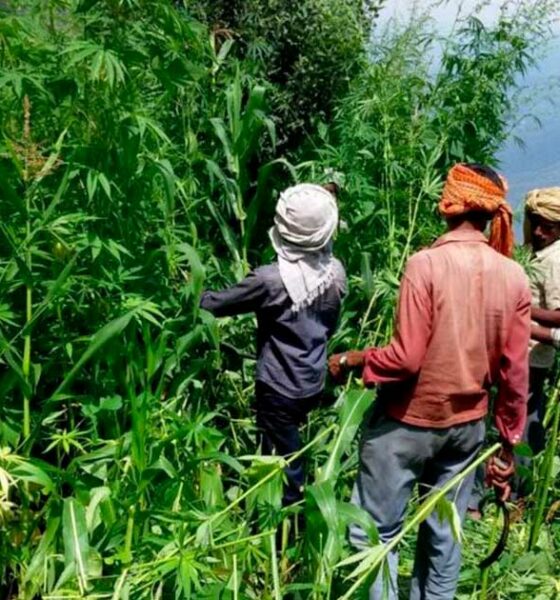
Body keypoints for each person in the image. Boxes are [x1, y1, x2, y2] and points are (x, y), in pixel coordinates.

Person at [328, 163, 531, 600]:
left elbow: (406, 358)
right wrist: (508, 442)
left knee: (377, 535)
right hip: (467, 429)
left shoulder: (426, 265)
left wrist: (355, 359)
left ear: (450, 204)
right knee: (444, 535)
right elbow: (515, 373)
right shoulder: (513, 275)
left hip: (408, 424)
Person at [200, 183, 346, 505]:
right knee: (287, 443)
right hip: (312, 379)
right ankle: (281, 508)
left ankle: (283, 526)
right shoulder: (335, 273)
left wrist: (190, 294)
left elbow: (216, 305)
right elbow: (329, 325)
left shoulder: (270, 279)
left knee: (281, 460)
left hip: (278, 385)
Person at [514, 188, 560, 495]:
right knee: (523, 420)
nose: (540, 231)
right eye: (535, 223)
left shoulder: (554, 260)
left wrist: (519, 312)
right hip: (524, 353)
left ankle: (521, 492)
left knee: (521, 426)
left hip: (533, 355)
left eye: (548, 225)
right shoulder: (540, 254)